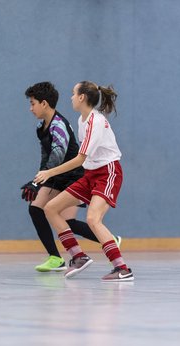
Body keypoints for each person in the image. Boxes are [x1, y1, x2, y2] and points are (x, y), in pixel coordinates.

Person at [34, 81, 134, 282]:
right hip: (90, 174)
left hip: (108, 172)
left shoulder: (96, 122)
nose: (70, 97)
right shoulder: (82, 120)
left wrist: (49, 173)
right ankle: (78, 256)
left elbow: (80, 158)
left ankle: (122, 268)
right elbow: (85, 161)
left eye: (73, 93)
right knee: (51, 208)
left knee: (93, 219)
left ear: (81, 97)